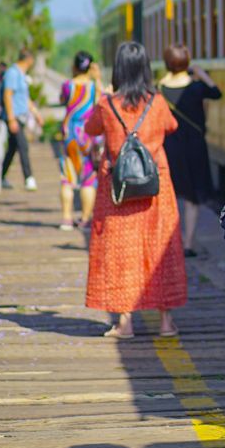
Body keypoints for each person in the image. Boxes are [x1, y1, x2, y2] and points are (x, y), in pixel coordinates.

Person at [84, 40, 186, 340]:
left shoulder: (106, 105)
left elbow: (90, 130)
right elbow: (171, 127)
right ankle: (166, 323)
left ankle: (125, 323)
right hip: (156, 188)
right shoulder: (157, 103)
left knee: (119, 253)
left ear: (118, 69)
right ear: (144, 69)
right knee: (160, 251)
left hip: (118, 189)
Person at [160, 45, 222, 256]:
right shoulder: (196, 87)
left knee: (171, 194)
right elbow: (216, 92)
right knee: (192, 197)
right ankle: (188, 244)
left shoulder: (159, 89)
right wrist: (202, 75)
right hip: (195, 146)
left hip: (169, 146)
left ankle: (170, 242)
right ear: (187, 63)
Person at [58, 52, 102, 232]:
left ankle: (67, 218)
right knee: (88, 178)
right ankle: (85, 218)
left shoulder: (67, 85)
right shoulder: (93, 86)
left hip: (69, 134)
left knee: (67, 177)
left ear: (74, 66)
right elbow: (100, 105)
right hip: (87, 134)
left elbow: (62, 100)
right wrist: (97, 77)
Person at [1, 48, 44, 190]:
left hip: (21, 116)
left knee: (12, 148)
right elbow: (8, 95)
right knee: (23, 146)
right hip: (15, 117)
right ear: (28, 60)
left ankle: (0, 176)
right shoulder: (13, 73)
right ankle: (29, 178)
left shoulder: (20, 74)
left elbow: (25, 99)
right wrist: (11, 119)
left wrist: (36, 114)